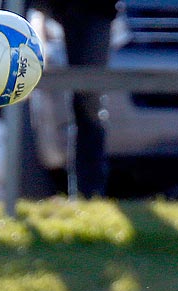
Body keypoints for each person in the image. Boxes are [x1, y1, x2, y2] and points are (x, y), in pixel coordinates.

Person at [29, 0, 117, 198]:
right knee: (18, 89)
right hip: (37, 6)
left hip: (94, 10)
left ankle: (88, 194)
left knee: (88, 102)